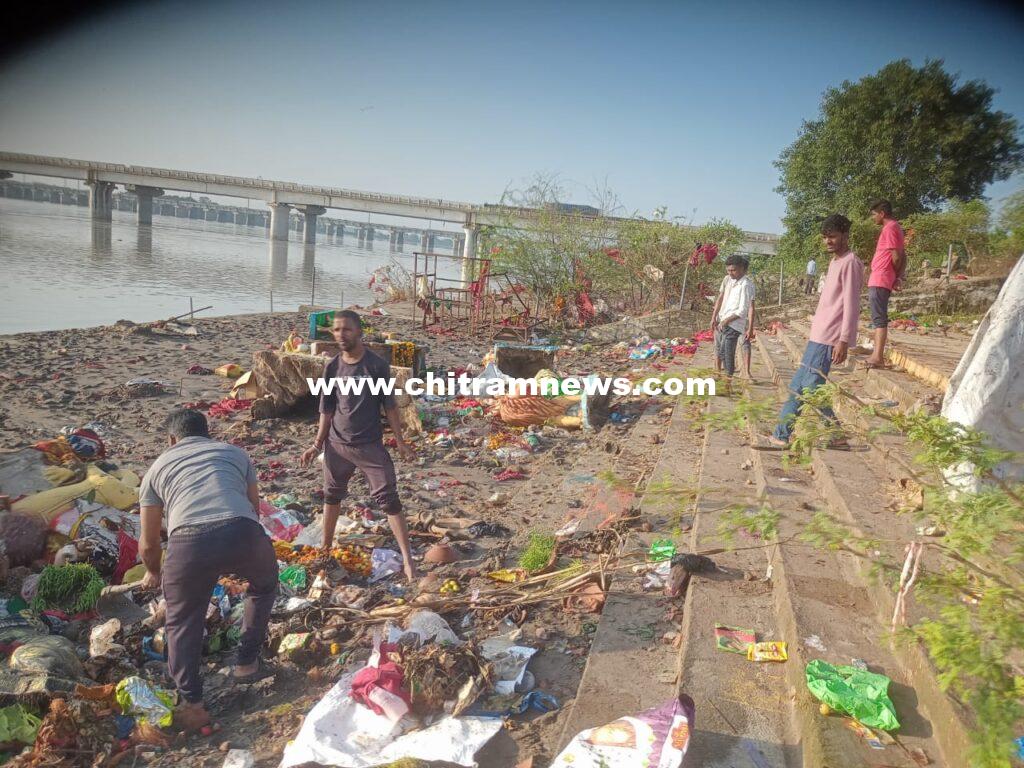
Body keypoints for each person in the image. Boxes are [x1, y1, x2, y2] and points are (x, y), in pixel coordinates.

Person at [139, 409, 278, 731]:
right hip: (243, 533)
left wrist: (153, 572)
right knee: (263, 585)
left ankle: (192, 703)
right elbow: (253, 509)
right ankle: (246, 663)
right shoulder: (234, 453)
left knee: (183, 618)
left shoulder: (156, 468)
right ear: (207, 433)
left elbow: (147, 543)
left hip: (189, 544)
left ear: (171, 439)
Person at [300, 310, 417, 580]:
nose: (342, 334)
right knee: (332, 496)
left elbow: (389, 406)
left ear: (359, 332)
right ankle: (325, 551)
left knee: (389, 500)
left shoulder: (376, 366)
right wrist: (317, 444)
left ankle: (409, 561)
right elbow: (326, 409)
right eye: (337, 330)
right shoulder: (332, 367)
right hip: (337, 445)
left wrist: (400, 441)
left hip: (369, 446)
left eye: (347, 329)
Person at [766, 214, 864, 448]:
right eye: (825, 237)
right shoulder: (834, 262)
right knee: (799, 387)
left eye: (832, 237)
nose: (828, 241)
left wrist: (843, 340)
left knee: (811, 387)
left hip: (829, 337)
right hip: (818, 334)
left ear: (845, 236)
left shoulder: (851, 262)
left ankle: (836, 433)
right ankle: (781, 435)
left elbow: (851, 304)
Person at [865, 199, 906, 368]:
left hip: (881, 278)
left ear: (882, 214)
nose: (873, 218)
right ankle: (877, 355)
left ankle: (877, 357)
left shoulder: (889, 228)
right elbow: (904, 256)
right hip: (883, 277)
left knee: (879, 319)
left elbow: (897, 256)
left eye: (874, 214)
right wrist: (897, 276)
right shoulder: (896, 228)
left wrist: (894, 274)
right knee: (878, 317)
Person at [710, 255, 755, 382]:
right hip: (725, 322)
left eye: (733, 270)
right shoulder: (730, 280)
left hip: (733, 325)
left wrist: (726, 320)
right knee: (723, 353)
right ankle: (725, 379)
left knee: (727, 355)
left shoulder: (746, 285)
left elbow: (743, 310)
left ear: (741, 269)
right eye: (728, 271)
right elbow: (723, 299)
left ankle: (728, 382)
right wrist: (718, 317)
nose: (730, 273)